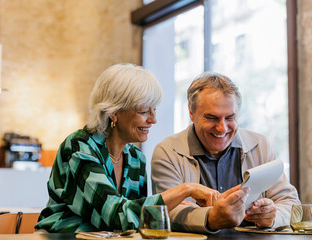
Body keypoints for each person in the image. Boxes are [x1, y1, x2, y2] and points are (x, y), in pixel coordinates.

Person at [35, 64, 220, 233]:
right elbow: (117, 217)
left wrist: (182, 209)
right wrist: (185, 189)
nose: (153, 119)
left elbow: (139, 220)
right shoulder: (79, 147)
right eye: (143, 111)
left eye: (154, 109)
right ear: (114, 112)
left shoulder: (135, 158)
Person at [151, 72, 300, 233]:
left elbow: (291, 204)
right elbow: (164, 212)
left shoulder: (260, 145)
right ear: (191, 112)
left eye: (230, 117)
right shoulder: (167, 152)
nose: (222, 128)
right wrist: (211, 218)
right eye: (212, 118)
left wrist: (272, 216)